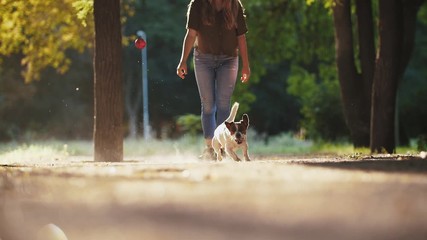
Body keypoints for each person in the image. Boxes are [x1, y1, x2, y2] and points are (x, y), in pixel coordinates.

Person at [176, 0, 251, 160]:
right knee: (208, 105)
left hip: (229, 59)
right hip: (203, 59)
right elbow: (191, 34)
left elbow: (241, 37)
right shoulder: (198, 4)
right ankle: (210, 148)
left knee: (224, 104)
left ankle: (223, 148)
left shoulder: (234, 4)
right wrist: (183, 60)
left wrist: (246, 65)